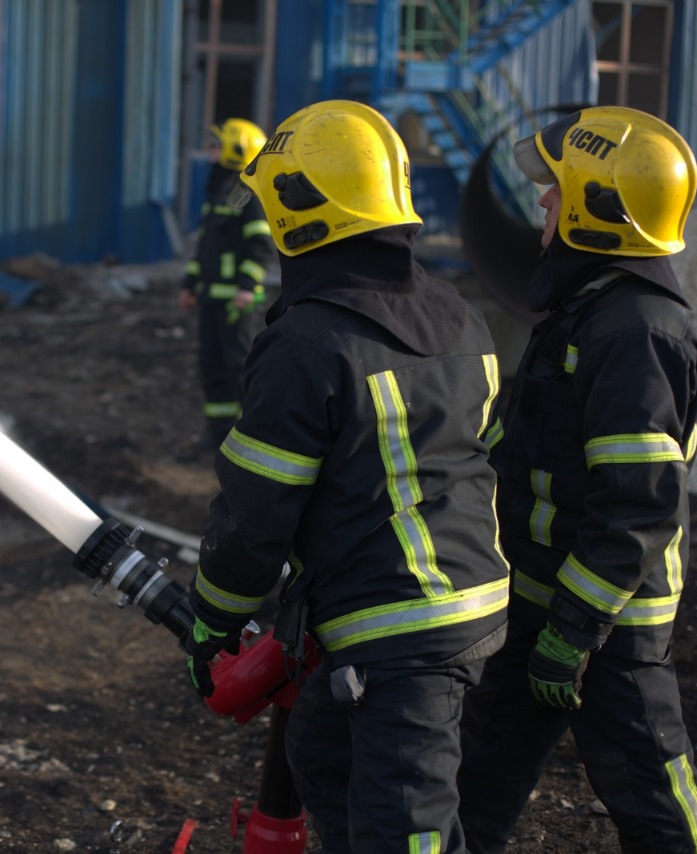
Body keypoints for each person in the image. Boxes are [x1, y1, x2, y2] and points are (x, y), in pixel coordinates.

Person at [180, 99, 510, 852]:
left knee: (406, 826)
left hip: (403, 628)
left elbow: (254, 515)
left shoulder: (307, 343)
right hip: (464, 597)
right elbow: (487, 453)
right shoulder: (462, 317)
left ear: (299, 215)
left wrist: (212, 622)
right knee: (323, 757)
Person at [457, 106, 697, 853]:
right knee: (474, 782)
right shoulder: (590, 306)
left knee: (650, 789)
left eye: (559, 188)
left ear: (596, 210)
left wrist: (574, 632)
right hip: (540, 603)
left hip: (608, 625)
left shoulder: (636, 330)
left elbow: (636, 506)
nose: (543, 199)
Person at [179, 118, 274, 455]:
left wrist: (246, 286)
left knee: (239, 369)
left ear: (236, 151)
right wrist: (190, 283)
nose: (210, 152)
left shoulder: (247, 194)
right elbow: (206, 247)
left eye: (216, 146)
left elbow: (260, 245)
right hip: (210, 299)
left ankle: (248, 442)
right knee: (212, 367)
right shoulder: (221, 192)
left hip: (236, 303)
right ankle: (217, 435)